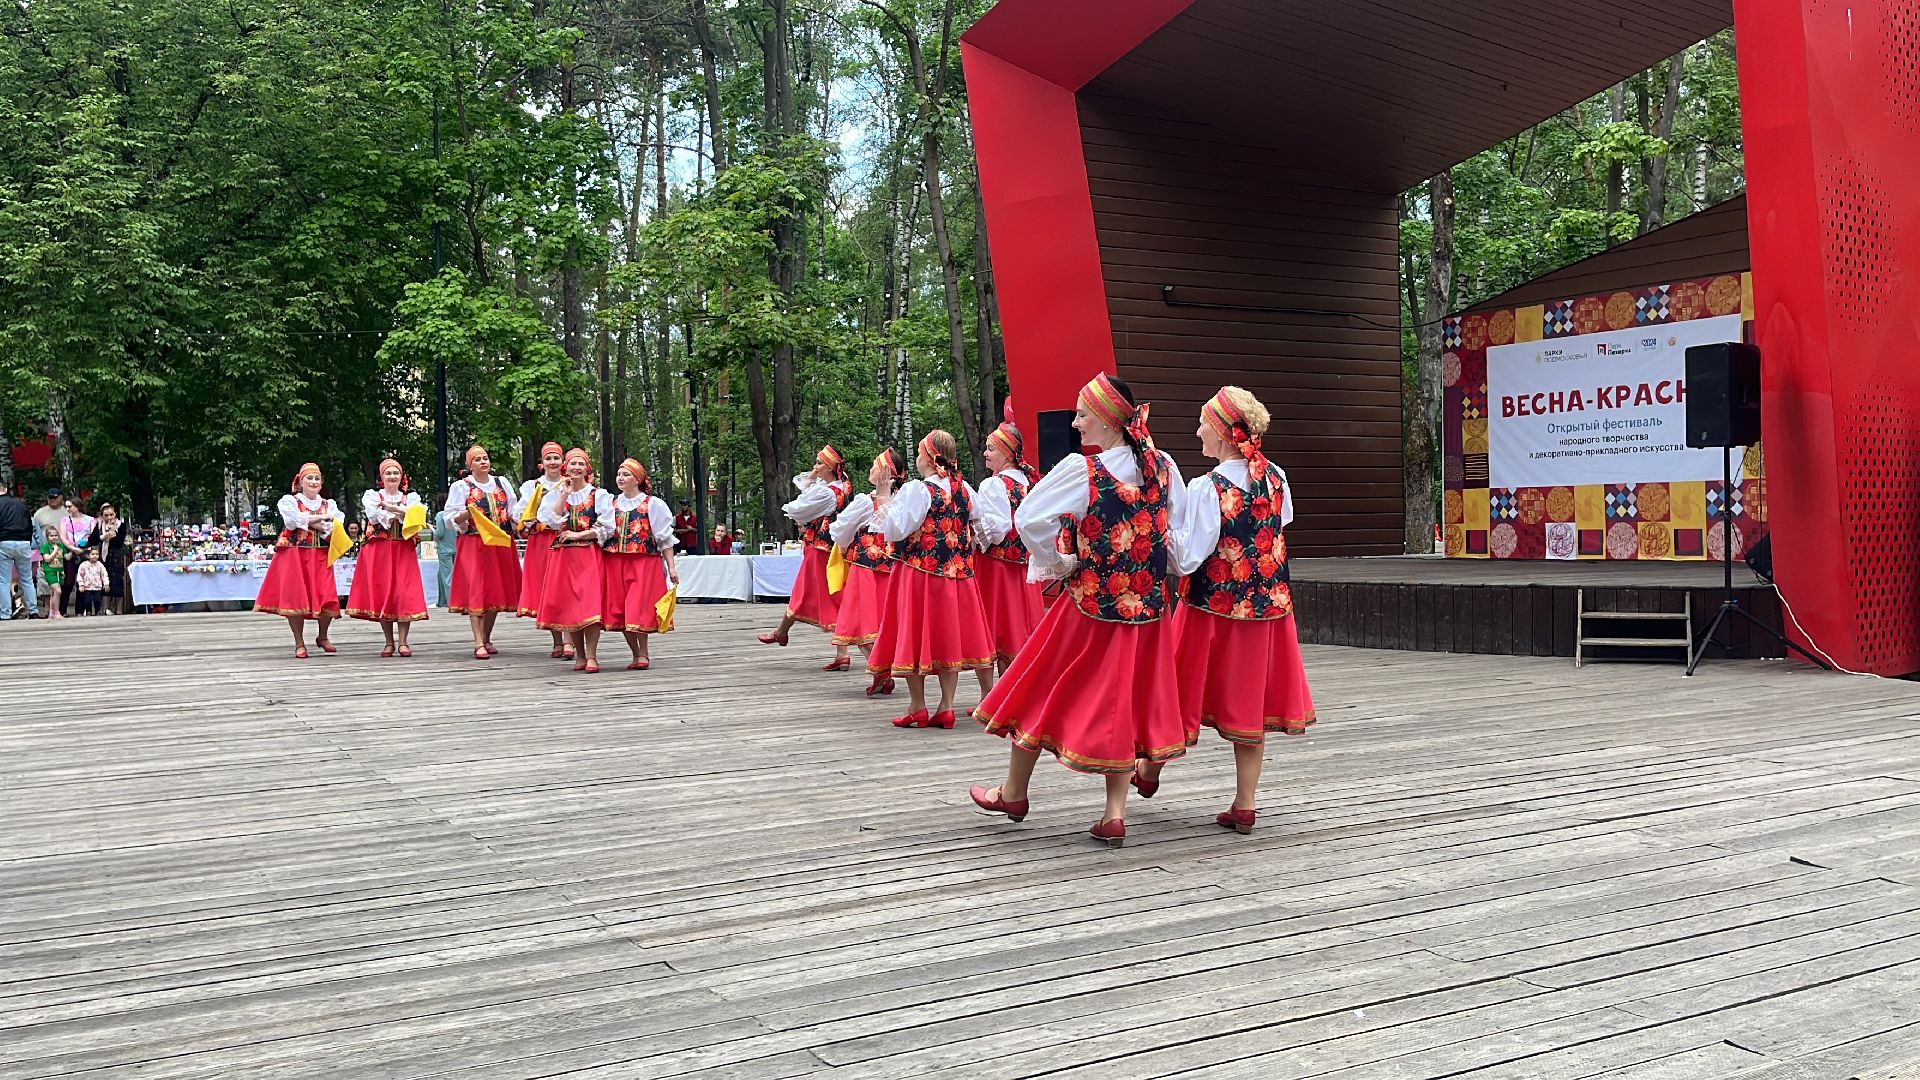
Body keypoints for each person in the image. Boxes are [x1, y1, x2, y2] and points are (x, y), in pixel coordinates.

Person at [970, 374, 1189, 848]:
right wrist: (1151, 561)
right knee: (1126, 699)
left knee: (1039, 685)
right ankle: (1114, 813)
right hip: (1147, 612)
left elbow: (1027, 518)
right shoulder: (1163, 466)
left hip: (1088, 605)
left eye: (1082, 414)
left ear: (1108, 419)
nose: (1075, 422)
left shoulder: (1082, 470)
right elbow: (1179, 535)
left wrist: (1061, 560)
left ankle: (1014, 792)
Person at [1138, 387, 1316, 834]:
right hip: (1268, 612)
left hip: (1212, 610)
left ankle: (1150, 771)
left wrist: (1155, 541)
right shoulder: (1276, 476)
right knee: (1250, 704)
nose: (1197, 430)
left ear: (1220, 432)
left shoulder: (1207, 488)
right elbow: (1282, 522)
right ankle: (1245, 803)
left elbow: (1191, 555)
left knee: (1178, 690)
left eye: (1202, 424)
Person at [865, 430, 995, 729]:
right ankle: (946, 706)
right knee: (947, 636)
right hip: (958, 575)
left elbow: (895, 530)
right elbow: (982, 524)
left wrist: (883, 496)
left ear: (926, 455)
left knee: (914, 634)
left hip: (919, 572)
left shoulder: (918, 490)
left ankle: (917, 705)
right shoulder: (964, 489)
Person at [758, 445, 853, 668]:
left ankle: (847, 651)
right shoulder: (841, 485)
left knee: (826, 595)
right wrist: (813, 476)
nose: (815, 466)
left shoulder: (826, 493)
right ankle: (782, 632)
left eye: (819, 463)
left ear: (829, 468)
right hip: (827, 547)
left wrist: (797, 504)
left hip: (820, 549)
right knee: (813, 592)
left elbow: (797, 509)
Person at [973, 422, 1045, 676]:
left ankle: (995, 696)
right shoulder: (1030, 481)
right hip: (1024, 565)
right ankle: (1014, 690)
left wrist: (974, 532)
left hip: (997, 566)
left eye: (990, 449)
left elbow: (996, 529)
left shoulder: (993, 485)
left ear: (1005, 452)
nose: (985, 453)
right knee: (1019, 628)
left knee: (997, 628)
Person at [829, 449, 903, 697]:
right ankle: (883, 668)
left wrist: (845, 543)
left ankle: (880, 669)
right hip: (893, 570)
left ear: (883, 473)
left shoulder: (865, 501)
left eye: (874, 466)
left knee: (861, 623)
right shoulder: (904, 499)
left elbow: (840, 529)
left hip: (865, 569)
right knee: (883, 622)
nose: (870, 470)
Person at [256, 463, 345, 658]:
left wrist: (311, 519)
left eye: (317, 479)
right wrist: (321, 519)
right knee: (296, 597)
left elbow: (336, 523)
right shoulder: (290, 501)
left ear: (321, 482)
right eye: (309, 478)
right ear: (300, 481)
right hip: (295, 554)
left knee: (326, 595)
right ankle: (299, 642)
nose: (313, 482)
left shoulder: (329, 504)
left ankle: (323, 636)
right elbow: (291, 521)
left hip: (321, 554)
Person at [598, 458, 678, 670]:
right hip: (614, 562)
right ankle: (636, 654)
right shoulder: (610, 504)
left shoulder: (652, 504)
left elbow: (664, 538)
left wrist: (671, 567)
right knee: (621, 609)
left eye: (626, 475)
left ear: (638, 479)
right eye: (619, 474)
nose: (621, 478)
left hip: (643, 563)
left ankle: (643, 653)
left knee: (637, 607)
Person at [444, 445, 523, 659]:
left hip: (499, 543)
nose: (483, 462)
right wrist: (466, 514)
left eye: (485, 458)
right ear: (470, 466)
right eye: (477, 459)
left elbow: (513, 509)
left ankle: (487, 637)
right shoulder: (462, 486)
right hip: (474, 543)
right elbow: (450, 519)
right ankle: (478, 640)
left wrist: (522, 518)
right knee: (477, 589)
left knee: (495, 591)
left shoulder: (502, 483)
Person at [347, 458, 429, 657]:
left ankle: (403, 641)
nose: (392, 476)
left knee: (403, 593)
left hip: (403, 549)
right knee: (385, 592)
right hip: (380, 549)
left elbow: (416, 516)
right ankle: (389, 641)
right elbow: (375, 517)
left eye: (396, 473)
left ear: (401, 477)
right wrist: (401, 512)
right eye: (388, 473)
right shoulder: (372, 496)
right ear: (382, 477)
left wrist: (390, 508)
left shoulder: (412, 498)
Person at [535, 448, 604, 671]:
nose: (576, 468)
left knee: (589, 605)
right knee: (571, 606)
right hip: (564, 557)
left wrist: (579, 534)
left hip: (588, 556)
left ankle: (592, 655)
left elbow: (606, 527)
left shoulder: (598, 495)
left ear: (587, 469)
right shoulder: (556, 494)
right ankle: (580, 656)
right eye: (572, 464)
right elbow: (551, 521)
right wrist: (564, 494)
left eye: (580, 464)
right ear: (566, 468)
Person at [517, 442, 572, 659]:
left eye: (556, 458)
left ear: (562, 462)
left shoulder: (569, 483)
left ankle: (569, 639)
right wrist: (525, 520)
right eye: (548, 458)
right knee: (547, 590)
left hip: (562, 538)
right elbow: (519, 513)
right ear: (542, 463)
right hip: (540, 541)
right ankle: (557, 640)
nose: (552, 462)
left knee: (564, 588)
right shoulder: (532, 487)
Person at [0, 478, 36, 621]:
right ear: (6, 489)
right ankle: (33, 610)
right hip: (23, 543)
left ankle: (5, 613)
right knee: (27, 579)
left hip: (4, 542)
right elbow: (29, 524)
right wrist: (27, 540)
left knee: (3, 580)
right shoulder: (20, 504)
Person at [56, 497, 96, 617]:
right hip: (70, 552)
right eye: (66, 506)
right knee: (68, 582)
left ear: (77, 506)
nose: (68, 509)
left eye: (70, 506)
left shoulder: (90, 520)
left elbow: (92, 536)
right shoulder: (64, 520)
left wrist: (83, 549)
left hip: (85, 551)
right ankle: (62, 610)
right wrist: (72, 548)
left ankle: (80, 610)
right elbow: (63, 536)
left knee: (82, 582)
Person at [94, 501, 130, 614]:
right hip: (102, 556)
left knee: (117, 581)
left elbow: (119, 542)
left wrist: (113, 533)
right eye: (106, 515)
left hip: (116, 556)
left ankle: (119, 610)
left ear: (115, 514)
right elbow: (94, 539)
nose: (109, 517)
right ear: (102, 516)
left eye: (111, 515)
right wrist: (103, 536)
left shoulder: (121, 525)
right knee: (104, 581)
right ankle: (105, 609)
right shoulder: (99, 526)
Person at [432, 501, 459, 608]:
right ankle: (442, 600)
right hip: (456, 546)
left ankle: (451, 602)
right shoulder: (456, 514)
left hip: (444, 549)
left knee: (448, 576)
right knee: (442, 574)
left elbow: (440, 533)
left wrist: (431, 529)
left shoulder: (440, 515)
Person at [75, 548, 107, 615]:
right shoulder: (84, 565)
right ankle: (88, 611)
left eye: (97, 554)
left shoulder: (100, 565)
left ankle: (98, 610)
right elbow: (80, 575)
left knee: (97, 600)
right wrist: (81, 585)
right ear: (87, 556)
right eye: (92, 554)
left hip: (97, 586)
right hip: (87, 587)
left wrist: (106, 583)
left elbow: (104, 574)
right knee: (87, 600)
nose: (95, 556)